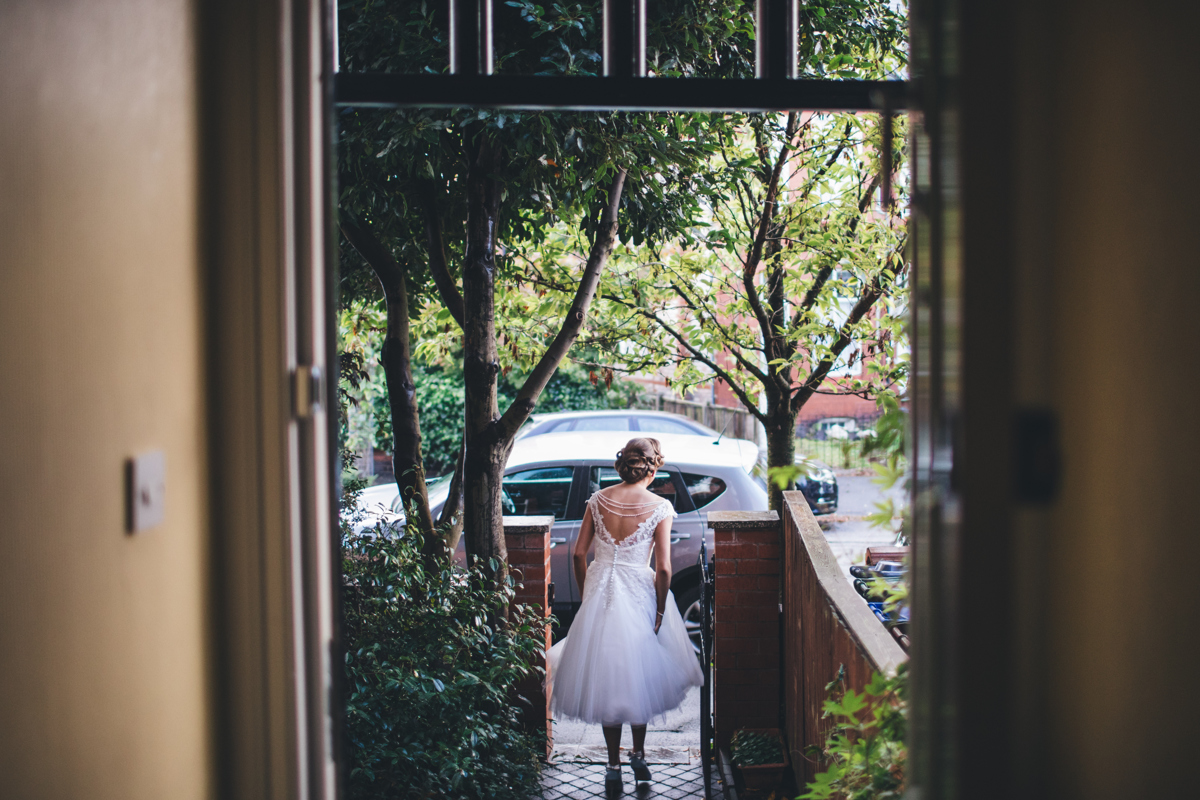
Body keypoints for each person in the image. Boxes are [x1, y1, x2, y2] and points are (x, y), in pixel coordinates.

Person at [548, 437, 705, 789]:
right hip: (637, 592)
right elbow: (663, 569)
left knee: (607, 678)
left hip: (602, 589)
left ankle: (613, 764)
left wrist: (589, 588)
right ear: (653, 466)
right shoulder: (660, 507)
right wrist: (661, 609)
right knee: (638, 675)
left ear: (623, 464)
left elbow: (578, 554)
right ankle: (638, 754)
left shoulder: (598, 499)